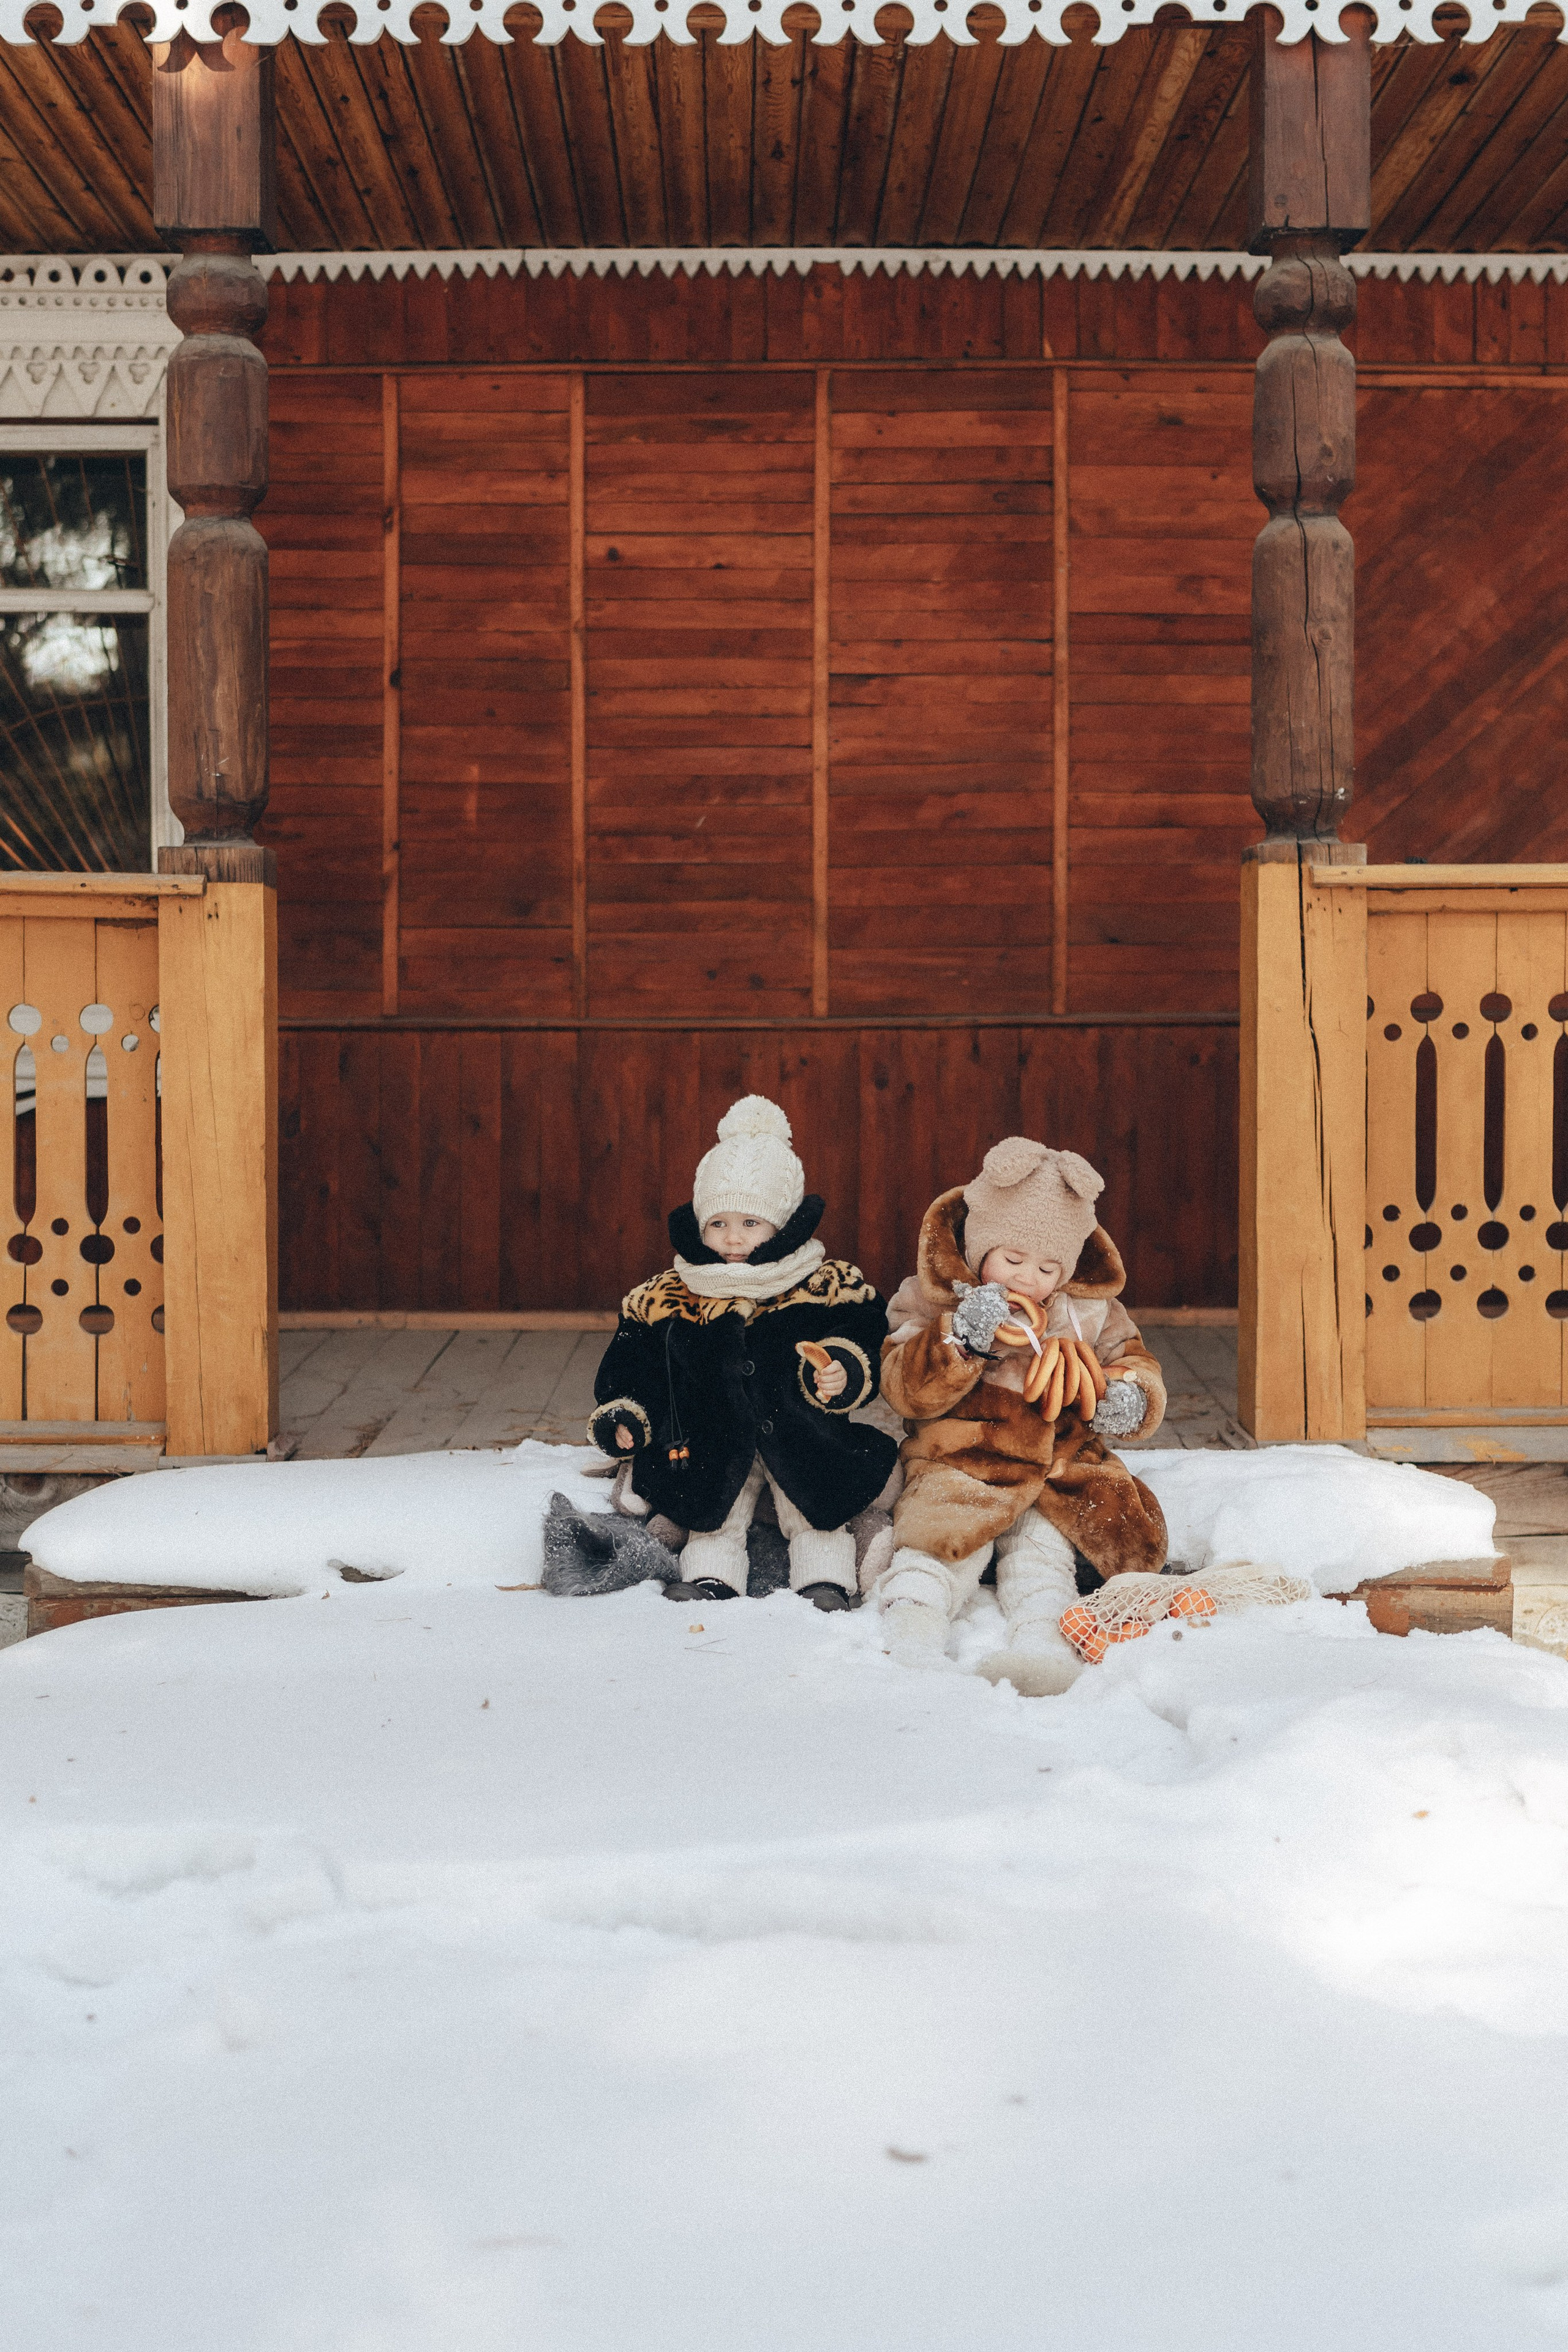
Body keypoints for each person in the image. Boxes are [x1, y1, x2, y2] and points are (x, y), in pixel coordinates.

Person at [876, 1137, 1167, 1694]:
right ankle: (913, 1634)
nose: (1028, 1279)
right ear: (980, 1246)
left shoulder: (1089, 1313)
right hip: (963, 1459)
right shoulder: (931, 1300)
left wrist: (1127, 1395)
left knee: (1042, 1558)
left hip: (1056, 1468)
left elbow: (1134, 1359)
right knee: (936, 1545)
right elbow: (902, 1388)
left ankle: (1041, 1646)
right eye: (1012, 1260)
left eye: (1047, 1266)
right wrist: (960, 1340)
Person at [587, 1096, 898, 1610]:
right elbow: (634, 1363)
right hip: (709, 1438)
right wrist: (626, 1412)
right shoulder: (669, 1294)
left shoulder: (824, 1284)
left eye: (751, 1223)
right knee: (715, 1512)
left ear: (782, 1224)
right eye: (718, 1223)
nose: (733, 1238)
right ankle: (710, 1578)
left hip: (802, 1429)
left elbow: (864, 1331)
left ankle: (825, 1583)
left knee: (814, 1507)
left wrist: (843, 1367)